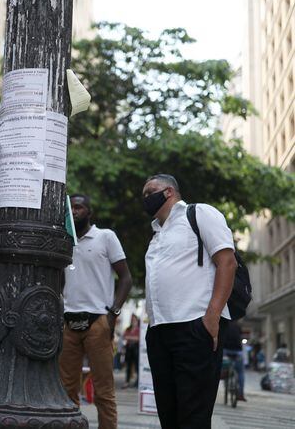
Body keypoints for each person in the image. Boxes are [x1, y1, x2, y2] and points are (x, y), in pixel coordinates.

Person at [142, 174, 236, 429]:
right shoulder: (156, 234)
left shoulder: (199, 214)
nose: (145, 198)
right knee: (168, 414)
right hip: (160, 331)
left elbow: (227, 262)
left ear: (170, 191)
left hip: (195, 327)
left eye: (150, 191)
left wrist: (211, 317)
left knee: (193, 415)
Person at [59, 194, 132, 429]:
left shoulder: (105, 237)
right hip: (68, 323)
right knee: (66, 390)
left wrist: (113, 314)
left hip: (98, 322)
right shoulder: (64, 241)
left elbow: (126, 278)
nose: (75, 211)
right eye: (71, 208)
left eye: (79, 207)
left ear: (90, 212)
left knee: (103, 390)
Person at [223, 319, 246, 401]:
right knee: (240, 372)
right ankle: (241, 394)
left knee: (222, 368)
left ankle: (225, 379)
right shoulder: (238, 326)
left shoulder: (224, 324)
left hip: (225, 351)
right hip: (237, 352)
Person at [122, 314, 140, 388]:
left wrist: (130, 338)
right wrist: (133, 338)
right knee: (128, 366)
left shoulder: (139, 329)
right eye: (132, 320)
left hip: (136, 349)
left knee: (137, 366)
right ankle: (127, 381)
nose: (133, 321)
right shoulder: (128, 329)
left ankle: (137, 382)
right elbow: (125, 336)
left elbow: (138, 338)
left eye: (134, 320)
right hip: (129, 348)